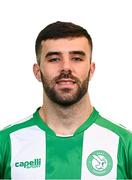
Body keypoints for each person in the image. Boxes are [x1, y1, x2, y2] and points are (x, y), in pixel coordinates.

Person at [0, 21, 132, 180]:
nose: (66, 67)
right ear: (37, 71)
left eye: (76, 58)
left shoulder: (124, 143)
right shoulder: (6, 143)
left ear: (91, 70)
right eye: (54, 59)